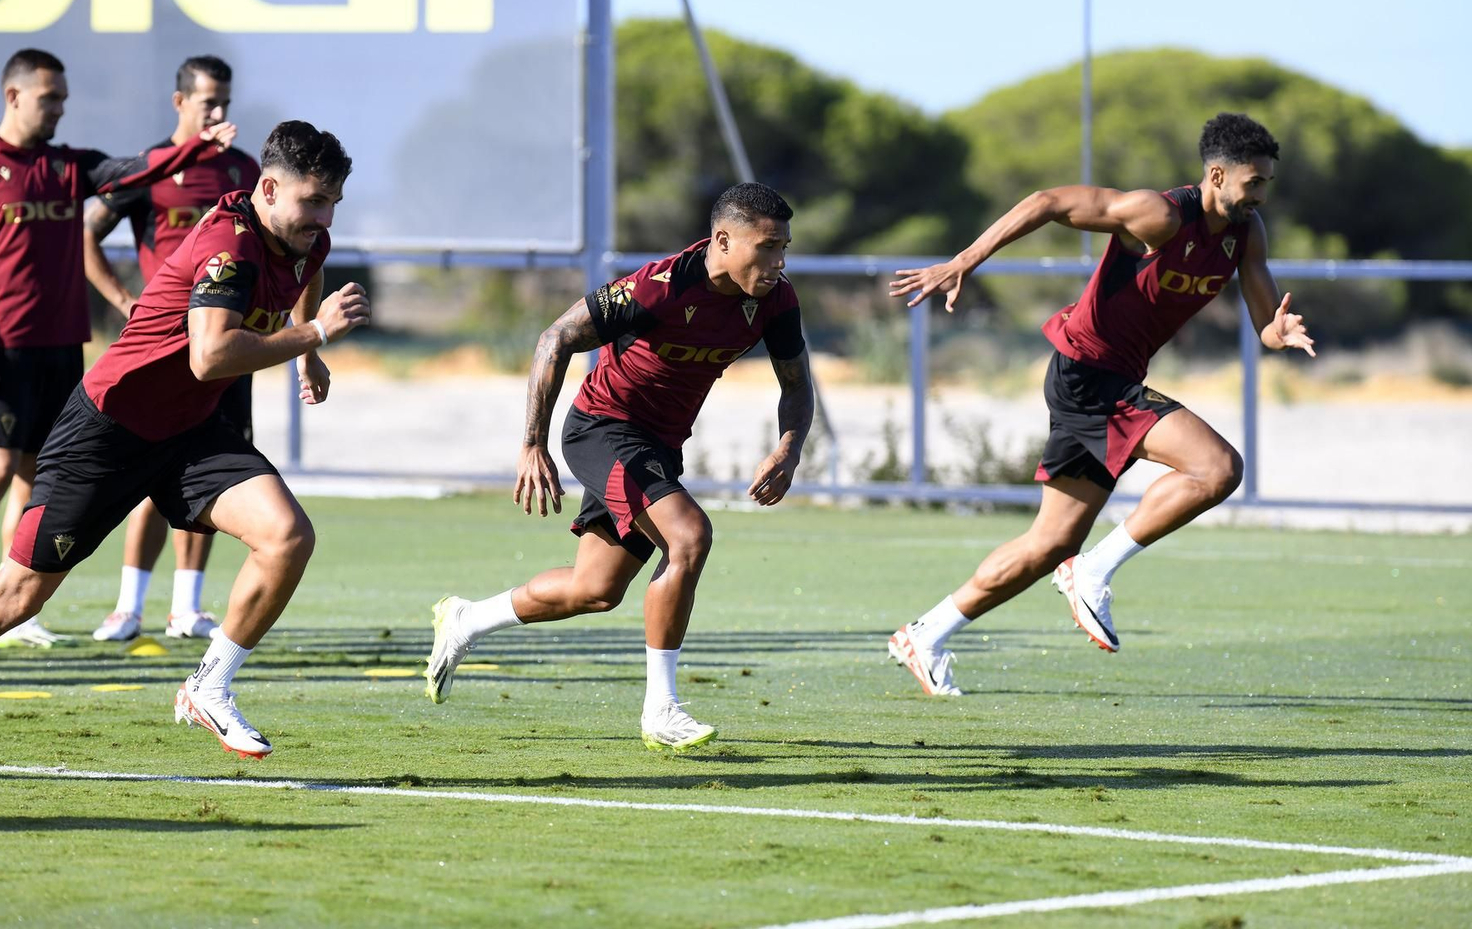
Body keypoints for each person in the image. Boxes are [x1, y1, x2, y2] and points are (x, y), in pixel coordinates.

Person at [0, 121, 369, 784]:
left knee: (288, 536)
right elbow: (211, 354)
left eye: (334, 200)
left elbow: (305, 274)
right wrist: (311, 334)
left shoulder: (308, 237)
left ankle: (209, 687)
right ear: (269, 188)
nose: (324, 216)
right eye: (313, 200)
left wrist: (306, 352)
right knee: (18, 595)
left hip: (192, 429)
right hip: (110, 428)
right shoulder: (230, 244)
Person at [885, 113, 1315, 696]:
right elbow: (1047, 201)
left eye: (1267, 183)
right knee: (1217, 468)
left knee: (1048, 544)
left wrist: (1278, 331)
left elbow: (1264, 321)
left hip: (1109, 381)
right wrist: (966, 259)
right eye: (1254, 182)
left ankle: (926, 633)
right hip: (1088, 376)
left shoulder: (1247, 233)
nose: (1262, 194)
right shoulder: (1159, 216)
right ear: (1216, 175)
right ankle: (1092, 570)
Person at [425, 182, 814, 750]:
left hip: (656, 447)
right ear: (723, 240)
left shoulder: (776, 299)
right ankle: (662, 708)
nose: (778, 262)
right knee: (689, 538)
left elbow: (797, 386)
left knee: (595, 589)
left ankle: (466, 619)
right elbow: (555, 337)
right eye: (768, 247)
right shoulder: (659, 287)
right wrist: (531, 443)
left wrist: (789, 447)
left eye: (784, 248)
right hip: (602, 430)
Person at [0, 47, 238, 646]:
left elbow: (130, 171)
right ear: (14, 95)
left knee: (33, 477)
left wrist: (195, 149)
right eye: (50, 99)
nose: (58, 109)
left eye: (64, 100)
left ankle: (12, 609)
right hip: (3, 346)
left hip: (62, 345)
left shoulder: (66, 166)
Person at [83, 55, 261, 642]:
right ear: (179, 101)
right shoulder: (153, 166)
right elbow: (87, 231)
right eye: (209, 101)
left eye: (226, 103)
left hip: (224, 348)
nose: (218, 113)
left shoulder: (242, 170)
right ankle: (128, 605)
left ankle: (186, 606)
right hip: (160, 352)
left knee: (214, 472)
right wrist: (122, 299)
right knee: (146, 467)